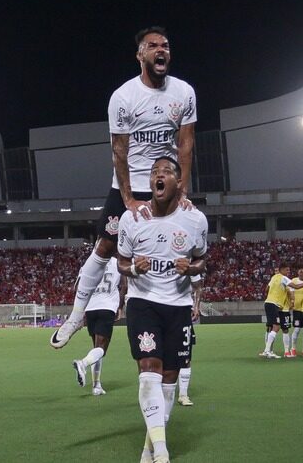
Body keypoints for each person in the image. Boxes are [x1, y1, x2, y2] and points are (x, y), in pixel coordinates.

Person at [51, 27, 197, 350]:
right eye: (153, 46)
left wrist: (182, 188)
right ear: (140, 55)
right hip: (129, 185)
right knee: (104, 247)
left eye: (166, 45)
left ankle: (175, 317)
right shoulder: (123, 97)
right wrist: (128, 197)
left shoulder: (184, 92)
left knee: (175, 249)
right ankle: (76, 315)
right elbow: (119, 150)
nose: (162, 50)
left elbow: (186, 143)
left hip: (166, 184)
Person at [116, 156, 207, 463]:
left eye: (167, 171)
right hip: (143, 303)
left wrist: (190, 268)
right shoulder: (132, 218)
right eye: (154, 171)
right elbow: (121, 263)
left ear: (178, 182)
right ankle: (163, 454)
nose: (159, 174)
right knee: (149, 372)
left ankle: (149, 447)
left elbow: (201, 260)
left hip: (178, 306)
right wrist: (134, 270)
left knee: (170, 379)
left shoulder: (195, 220)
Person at [72, 259, 126, 395]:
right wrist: (119, 306)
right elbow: (124, 286)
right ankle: (83, 364)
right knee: (101, 349)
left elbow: (77, 288)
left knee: (96, 349)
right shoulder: (117, 262)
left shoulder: (89, 262)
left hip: (90, 308)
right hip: (106, 306)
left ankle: (97, 385)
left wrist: (80, 310)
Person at [260, 263, 294, 359]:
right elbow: (267, 289)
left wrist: (292, 301)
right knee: (271, 327)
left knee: (285, 329)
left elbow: (291, 292)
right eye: (275, 271)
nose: (276, 273)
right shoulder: (275, 279)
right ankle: (268, 350)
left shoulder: (285, 281)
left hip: (284, 308)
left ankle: (286, 351)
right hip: (275, 306)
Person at [177, 273, 201, 406]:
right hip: (161, 312)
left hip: (183, 312)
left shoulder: (188, 262)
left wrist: (196, 306)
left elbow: (198, 286)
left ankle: (183, 394)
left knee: (185, 357)